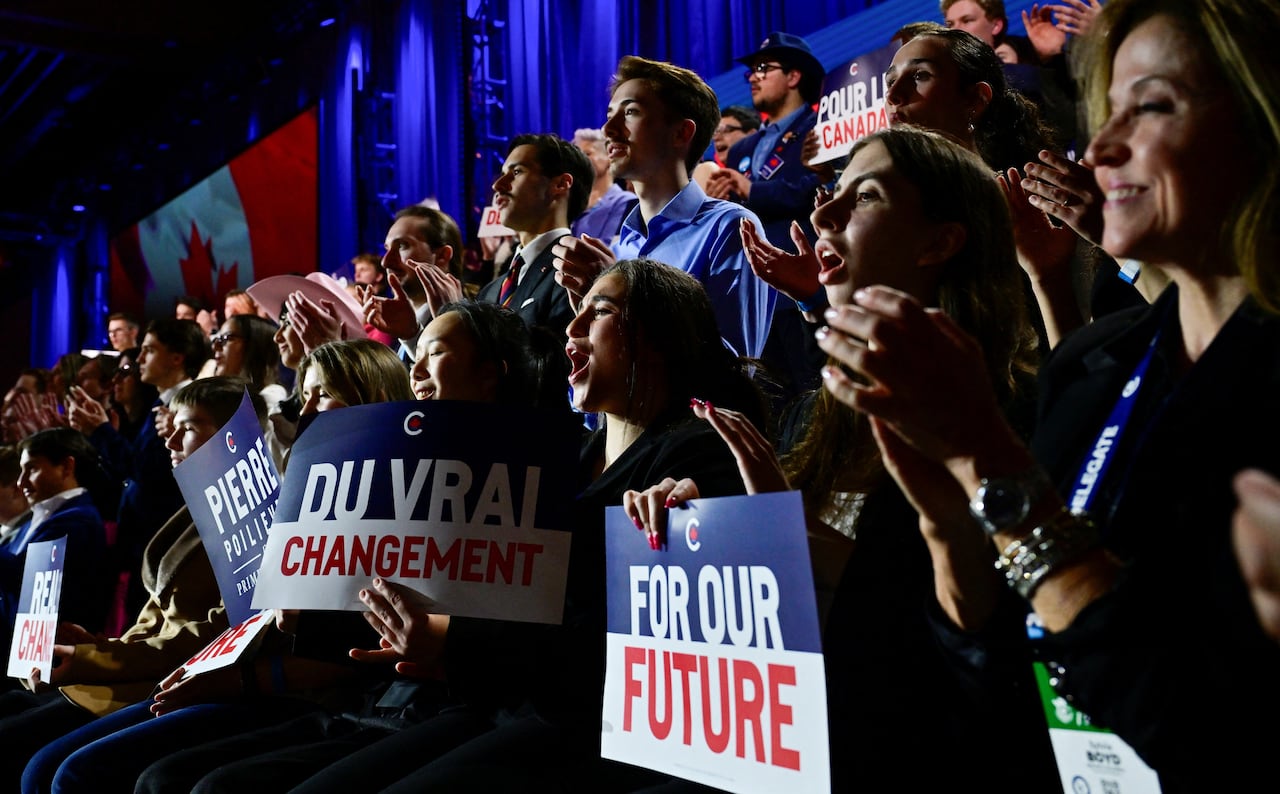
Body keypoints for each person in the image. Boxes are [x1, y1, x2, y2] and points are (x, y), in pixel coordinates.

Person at [815, 1, 1280, 789]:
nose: (1099, 148)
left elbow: (1212, 728)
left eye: (1151, 106)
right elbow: (1000, 685)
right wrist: (950, 529)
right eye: (1107, 111)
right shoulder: (1094, 362)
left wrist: (993, 470)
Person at [630, 127, 1053, 791]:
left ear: (940, 241)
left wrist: (783, 523)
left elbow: (954, 645)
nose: (823, 213)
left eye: (867, 196)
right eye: (831, 191)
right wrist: (709, 529)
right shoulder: (815, 412)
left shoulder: (1016, 416)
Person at [0, 378, 256, 791]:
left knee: (52, 768)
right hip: (136, 667)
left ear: (234, 435)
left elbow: (211, 636)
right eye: (171, 426)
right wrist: (99, 646)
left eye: (188, 427)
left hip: (180, 682)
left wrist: (93, 658)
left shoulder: (256, 519)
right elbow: (155, 619)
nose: (170, 439)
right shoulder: (197, 508)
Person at [552, 56, 776, 360]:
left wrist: (620, 296)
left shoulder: (729, 229)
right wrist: (590, 305)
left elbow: (734, 366)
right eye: (610, 114)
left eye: (630, 112)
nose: (608, 129)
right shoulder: (621, 247)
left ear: (681, 133)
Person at [477, 133, 593, 342]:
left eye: (517, 172)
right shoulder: (490, 291)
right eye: (503, 173)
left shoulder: (578, 275)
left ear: (560, 184)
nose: (498, 185)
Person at [0, 429, 111, 645]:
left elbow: (28, 579)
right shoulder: (41, 518)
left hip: (48, 651)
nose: (21, 482)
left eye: (32, 469)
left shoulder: (78, 520)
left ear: (67, 467)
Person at [570, 128, 638, 245]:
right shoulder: (570, 202)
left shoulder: (627, 203)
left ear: (609, 156)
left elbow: (613, 246)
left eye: (587, 154)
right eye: (577, 155)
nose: (579, 160)